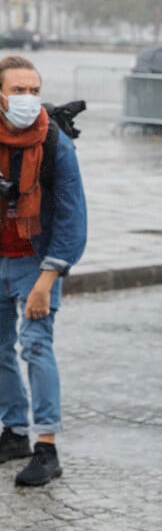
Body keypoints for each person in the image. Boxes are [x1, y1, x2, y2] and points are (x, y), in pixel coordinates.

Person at [0, 55, 87, 486]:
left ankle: (46, 447)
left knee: (36, 347)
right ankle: (13, 432)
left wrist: (48, 278)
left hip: (35, 261)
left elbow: (73, 220)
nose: (28, 100)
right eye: (18, 91)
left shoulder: (54, 143)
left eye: (34, 90)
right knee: (0, 351)